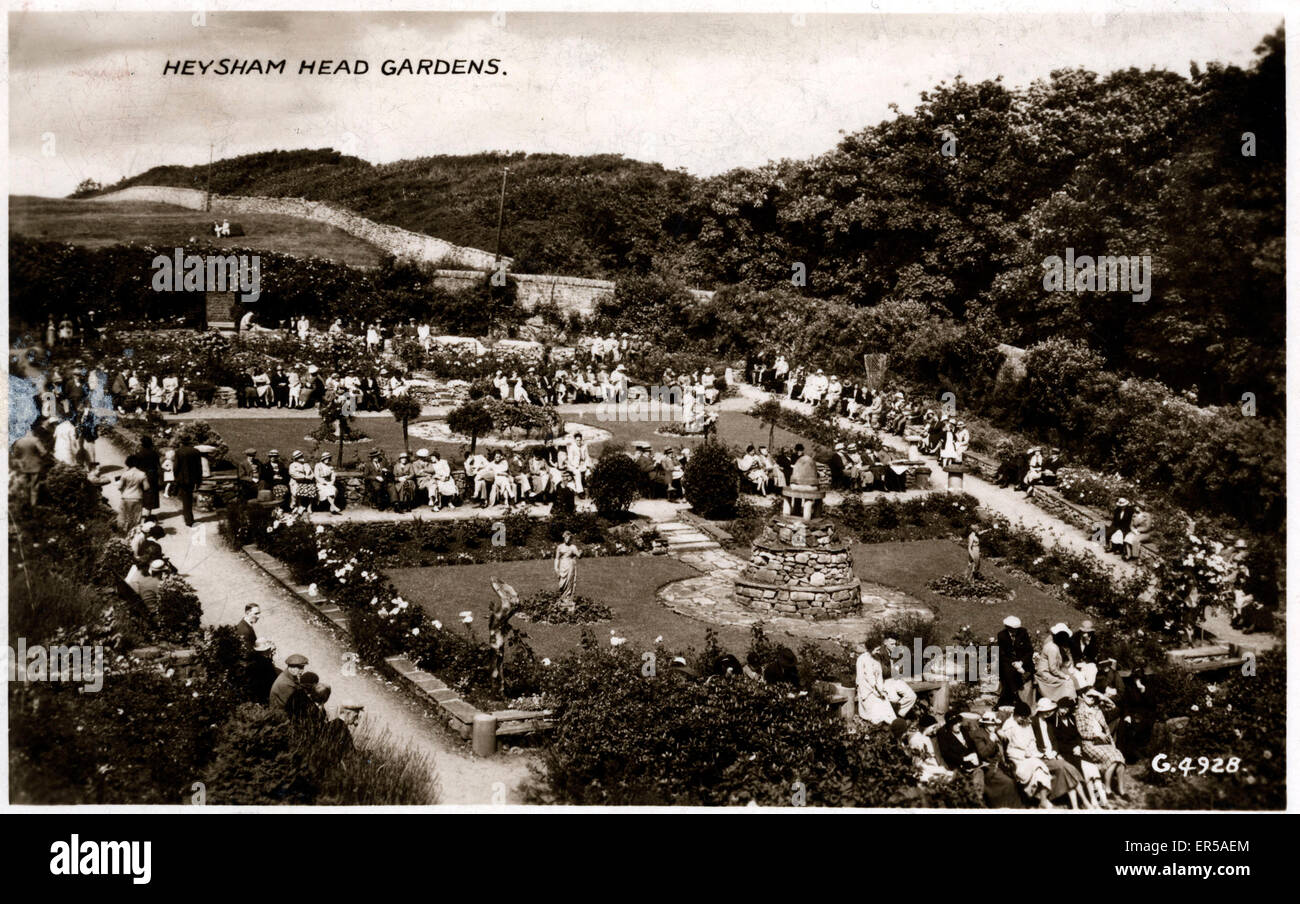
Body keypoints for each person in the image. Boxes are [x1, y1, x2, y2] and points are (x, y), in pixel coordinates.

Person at [999, 701, 1056, 808]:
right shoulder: (1009, 725)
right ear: (1015, 715)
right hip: (1016, 757)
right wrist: (1023, 753)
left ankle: (1043, 801)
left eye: (1025, 717)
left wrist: (1032, 751)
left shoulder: (1026, 723)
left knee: (1040, 770)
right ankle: (1041, 800)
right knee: (1037, 766)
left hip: (1030, 755)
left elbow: (1032, 741)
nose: (1023, 719)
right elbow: (1008, 748)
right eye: (1021, 717)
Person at [1076, 687, 1127, 800]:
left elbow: (1113, 707)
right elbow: (1082, 733)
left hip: (1104, 742)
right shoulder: (1080, 711)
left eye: (1094, 697)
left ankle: (1121, 790)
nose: (1092, 699)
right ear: (1083, 696)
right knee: (1113, 759)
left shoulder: (1097, 709)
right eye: (1089, 696)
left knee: (1120, 760)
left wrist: (1101, 696)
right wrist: (1097, 735)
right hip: (1090, 743)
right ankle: (1108, 790)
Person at [996, 615, 1035, 707]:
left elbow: (1029, 650)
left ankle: (1013, 698)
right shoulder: (1002, 635)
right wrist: (1014, 663)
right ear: (1007, 628)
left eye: (1016, 629)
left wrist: (1021, 662)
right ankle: (1014, 696)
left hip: (1023, 661)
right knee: (1008, 673)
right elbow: (1003, 654)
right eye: (1012, 629)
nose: (1015, 631)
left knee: (1025, 674)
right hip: (1009, 662)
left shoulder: (1023, 633)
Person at [10, 425, 47, 508]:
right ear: (31, 431)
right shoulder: (35, 440)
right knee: (34, 486)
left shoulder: (19, 441)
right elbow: (43, 452)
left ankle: (24, 504)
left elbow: (15, 454)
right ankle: (33, 504)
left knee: (24, 485)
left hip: (24, 466)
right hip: (35, 466)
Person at [1036, 628, 1077, 702]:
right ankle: (1068, 702)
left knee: (1070, 678)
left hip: (1049, 672)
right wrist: (1064, 676)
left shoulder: (1053, 644)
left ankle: (1067, 700)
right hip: (1045, 674)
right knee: (1068, 682)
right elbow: (1053, 669)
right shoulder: (1053, 648)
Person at [173, 439, 204, 527]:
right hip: (193, 478)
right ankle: (189, 518)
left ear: (181, 442)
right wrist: (199, 479)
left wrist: (176, 478)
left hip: (182, 479)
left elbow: (176, 467)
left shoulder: (179, 452)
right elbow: (199, 466)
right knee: (188, 497)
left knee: (185, 498)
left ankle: (188, 519)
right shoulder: (196, 451)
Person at [116, 458, 149, 531]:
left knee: (124, 516)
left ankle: (123, 531)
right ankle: (133, 532)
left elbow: (119, 487)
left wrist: (123, 491)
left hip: (126, 497)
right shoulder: (142, 474)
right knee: (136, 517)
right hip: (137, 497)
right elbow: (146, 487)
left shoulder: (125, 474)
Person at [554, 530, 580, 611]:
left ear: (570, 538)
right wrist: (556, 567)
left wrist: (580, 553)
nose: (567, 539)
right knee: (562, 582)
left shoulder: (573, 547)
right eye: (566, 537)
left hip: (570, 565)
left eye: (569, 537)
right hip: (562, 565)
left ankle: (567, 599)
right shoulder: (560, 547)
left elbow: (578, 555)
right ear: (563, 537)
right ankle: (563, 597)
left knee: (569, 582)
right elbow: (557, 558)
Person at [135, 435, 162, 512]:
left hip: (141, 475)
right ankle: (148, 513)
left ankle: (139, 512)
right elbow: (158, 465)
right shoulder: (154, 453)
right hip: (152, 475)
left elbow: (136, 465)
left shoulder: (139, 454)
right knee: (151, 494)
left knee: (140, 493)